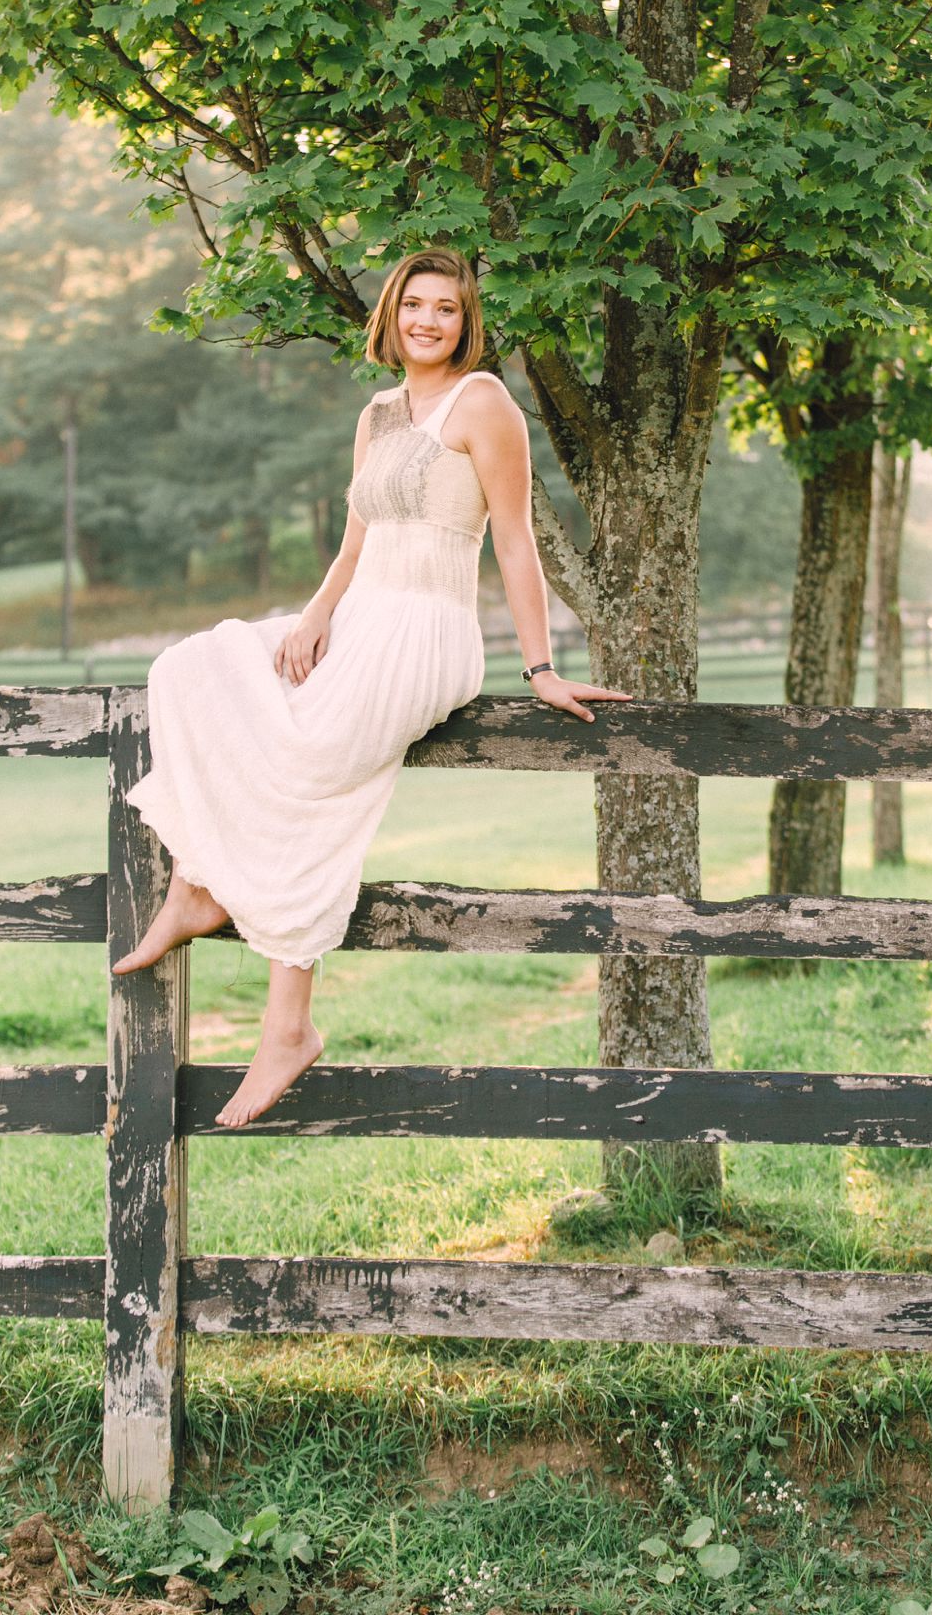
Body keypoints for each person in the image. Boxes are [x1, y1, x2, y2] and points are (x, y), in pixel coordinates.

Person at [111, 248, 629, 1127]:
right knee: (189, 669)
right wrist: (314, 616)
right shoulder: (380, 412)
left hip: (424, 632)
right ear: (391, 314)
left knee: (308, 762)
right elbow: (354, 547)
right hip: (358, 617)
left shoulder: (486, 403)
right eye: (416, 305)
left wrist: (538, 667)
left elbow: (515, 543)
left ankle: (285, 1024)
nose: (429, 322)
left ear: (467, 324)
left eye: (448, 310)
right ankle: (200, 886)